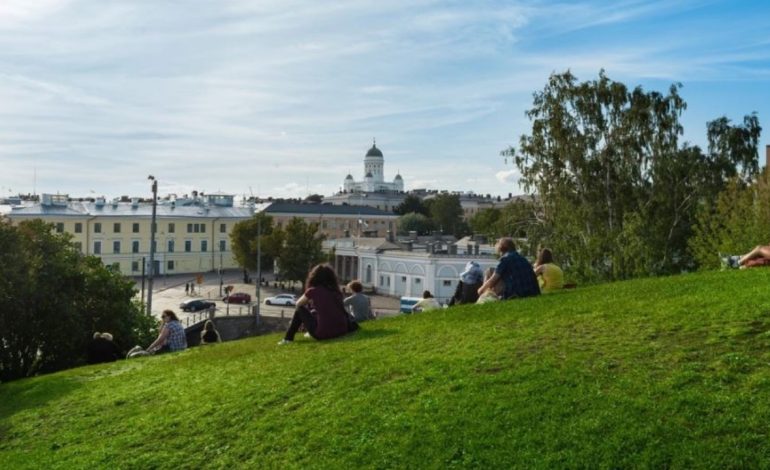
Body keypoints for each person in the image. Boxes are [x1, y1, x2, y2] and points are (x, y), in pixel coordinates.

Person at [279, 264, 352, 344]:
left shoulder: (313, 291)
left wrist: (303, 321)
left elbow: (298, 304)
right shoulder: (336, 292)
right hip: (342, 330)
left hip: (323, 334)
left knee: (300, 310)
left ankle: (288, 338)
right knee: (315, 312)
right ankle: (304, 333)